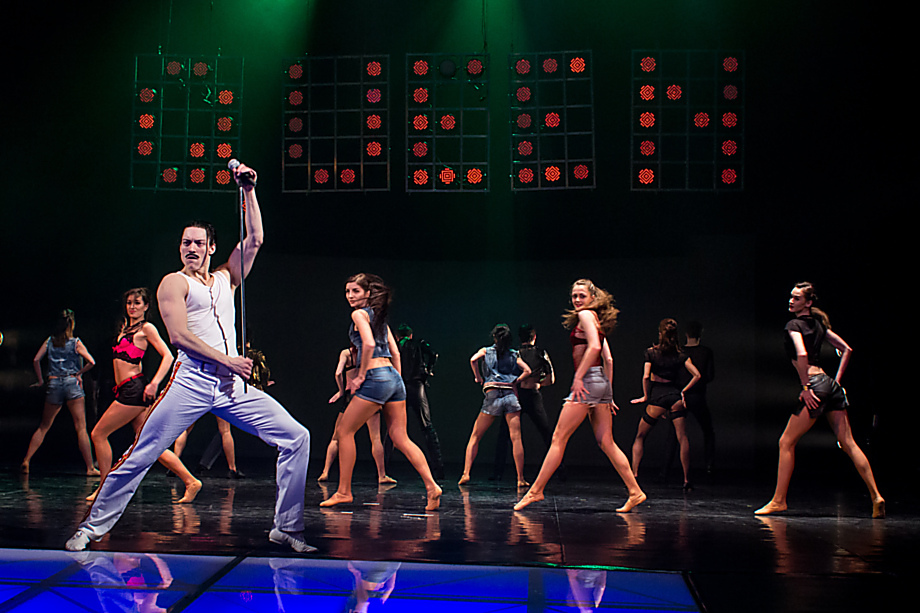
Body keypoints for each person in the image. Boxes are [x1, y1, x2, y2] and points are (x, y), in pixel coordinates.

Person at [66, 163, 315, 553]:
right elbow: (179, 337)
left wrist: (248, 190)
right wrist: (228, 360)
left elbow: (255, 238)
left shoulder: (226, 278)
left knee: (297, 437)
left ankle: (286, 527)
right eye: (186, 243)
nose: (191, 248)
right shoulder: (173, 282)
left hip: (231, 386)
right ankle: (91, 527)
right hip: (192, 381)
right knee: (142, 452)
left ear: (211, 247)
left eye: (199, 243)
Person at [515, 279, 646, 512]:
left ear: (592, 298)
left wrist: (579, 377)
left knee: (558, 438)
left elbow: (594, 347)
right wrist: (608, 394)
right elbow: (608, 359)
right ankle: (635, 491)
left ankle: (535, 491)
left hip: (587, 383)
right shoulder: (595, 319)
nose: (577, 300)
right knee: (606, 442)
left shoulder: (586, 315)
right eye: (574, 296)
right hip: (600, 383)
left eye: (581, 296)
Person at [755, 282, 884, 518]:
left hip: (815, 385)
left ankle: (779, 501)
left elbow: (802, 353)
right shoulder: (819, 325)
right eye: (791, 297)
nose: (791, 301)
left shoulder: (793, 325)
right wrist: (837, 382)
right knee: (849, 443)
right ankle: (876, 496)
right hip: (828, 385)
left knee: (786, 442)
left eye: (796, 298)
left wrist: (805, 387)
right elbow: (847, 349)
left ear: (808, 303)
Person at [319, 273, 441, 511]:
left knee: (344, 431)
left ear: (367, 293)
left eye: (355, 291)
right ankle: (432, 486)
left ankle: (344, 492)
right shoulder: (380, 319)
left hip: (376, 377)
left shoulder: (359, 314)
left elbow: (370, 344)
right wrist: (396, 381)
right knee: (400, 437)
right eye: (347, 291)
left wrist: (361, 376)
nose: (350, 296)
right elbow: (394, 353)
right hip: (393, 378)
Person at [86, 288, 201, 503]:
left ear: (146, 306)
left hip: (134, 391)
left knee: (98, 434)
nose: (132, 307)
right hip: (126, 389)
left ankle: (104, 488)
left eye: (137, 303)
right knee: (150, 442)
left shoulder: (147, 328)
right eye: (129, 302)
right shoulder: (125, 329)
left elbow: (168, 356)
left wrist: (154, 383)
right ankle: (190, 481)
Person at [22, 309, 97, 475]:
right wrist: (79, 373)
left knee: (44, 426)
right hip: (71, 382)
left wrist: (41, 380)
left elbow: (36, 359)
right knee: (81, 427)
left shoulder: (50, 341)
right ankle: (90, 467)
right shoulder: (76, 342)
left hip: (54, 382)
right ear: (72, 324)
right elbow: (91, 361)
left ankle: (27, 460)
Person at [629, 318, 701, 490]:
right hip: (675, 397)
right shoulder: (681, 355)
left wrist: (645, 396)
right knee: (682, 437)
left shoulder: (651, 353)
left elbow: (646, 376)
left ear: (660, 333)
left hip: (658, 397)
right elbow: (697, 375)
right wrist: (683, 391)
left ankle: (634, 476)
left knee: (640, 436)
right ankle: (686, 480)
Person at [459, 324, 532, 487]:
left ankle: (466, 474)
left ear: (494, 337)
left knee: (475, 436)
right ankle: (520, 478)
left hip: (492, 395)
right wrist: (515, 381)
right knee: (516, 438)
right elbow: (527, 370)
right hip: (510, 395)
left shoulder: (486, 351)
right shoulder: (514, 354)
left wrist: (478, 377)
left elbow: (473, 359)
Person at [318, 345, 395, 484]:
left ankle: (325, 472)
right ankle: (382, 475)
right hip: (369, 397)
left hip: (351, 397)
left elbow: (338, 373)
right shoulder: (371, 353)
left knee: (337, 437)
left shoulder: (346, 354)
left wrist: (341, 391)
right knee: (375, 438)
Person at [492, 324, 557, 481]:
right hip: (533, 395)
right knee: (547, 434)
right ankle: (559, 470)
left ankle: (497, 472)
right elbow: (551, 379)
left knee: (504, 434)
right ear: (534, 337)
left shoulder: (515, 354)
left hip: (516, 395)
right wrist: (539, 383)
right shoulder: (541, 353)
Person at [394, 324, 445, 480]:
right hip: (417, 386)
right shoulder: (418, 344)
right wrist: (428, 370)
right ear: (410, 335)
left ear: (397, 336)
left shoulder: (395, 347)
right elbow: (434, 354)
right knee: (427, 426)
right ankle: (439, 469)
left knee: (393, 428)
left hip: (400, 387)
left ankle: (382, 469)